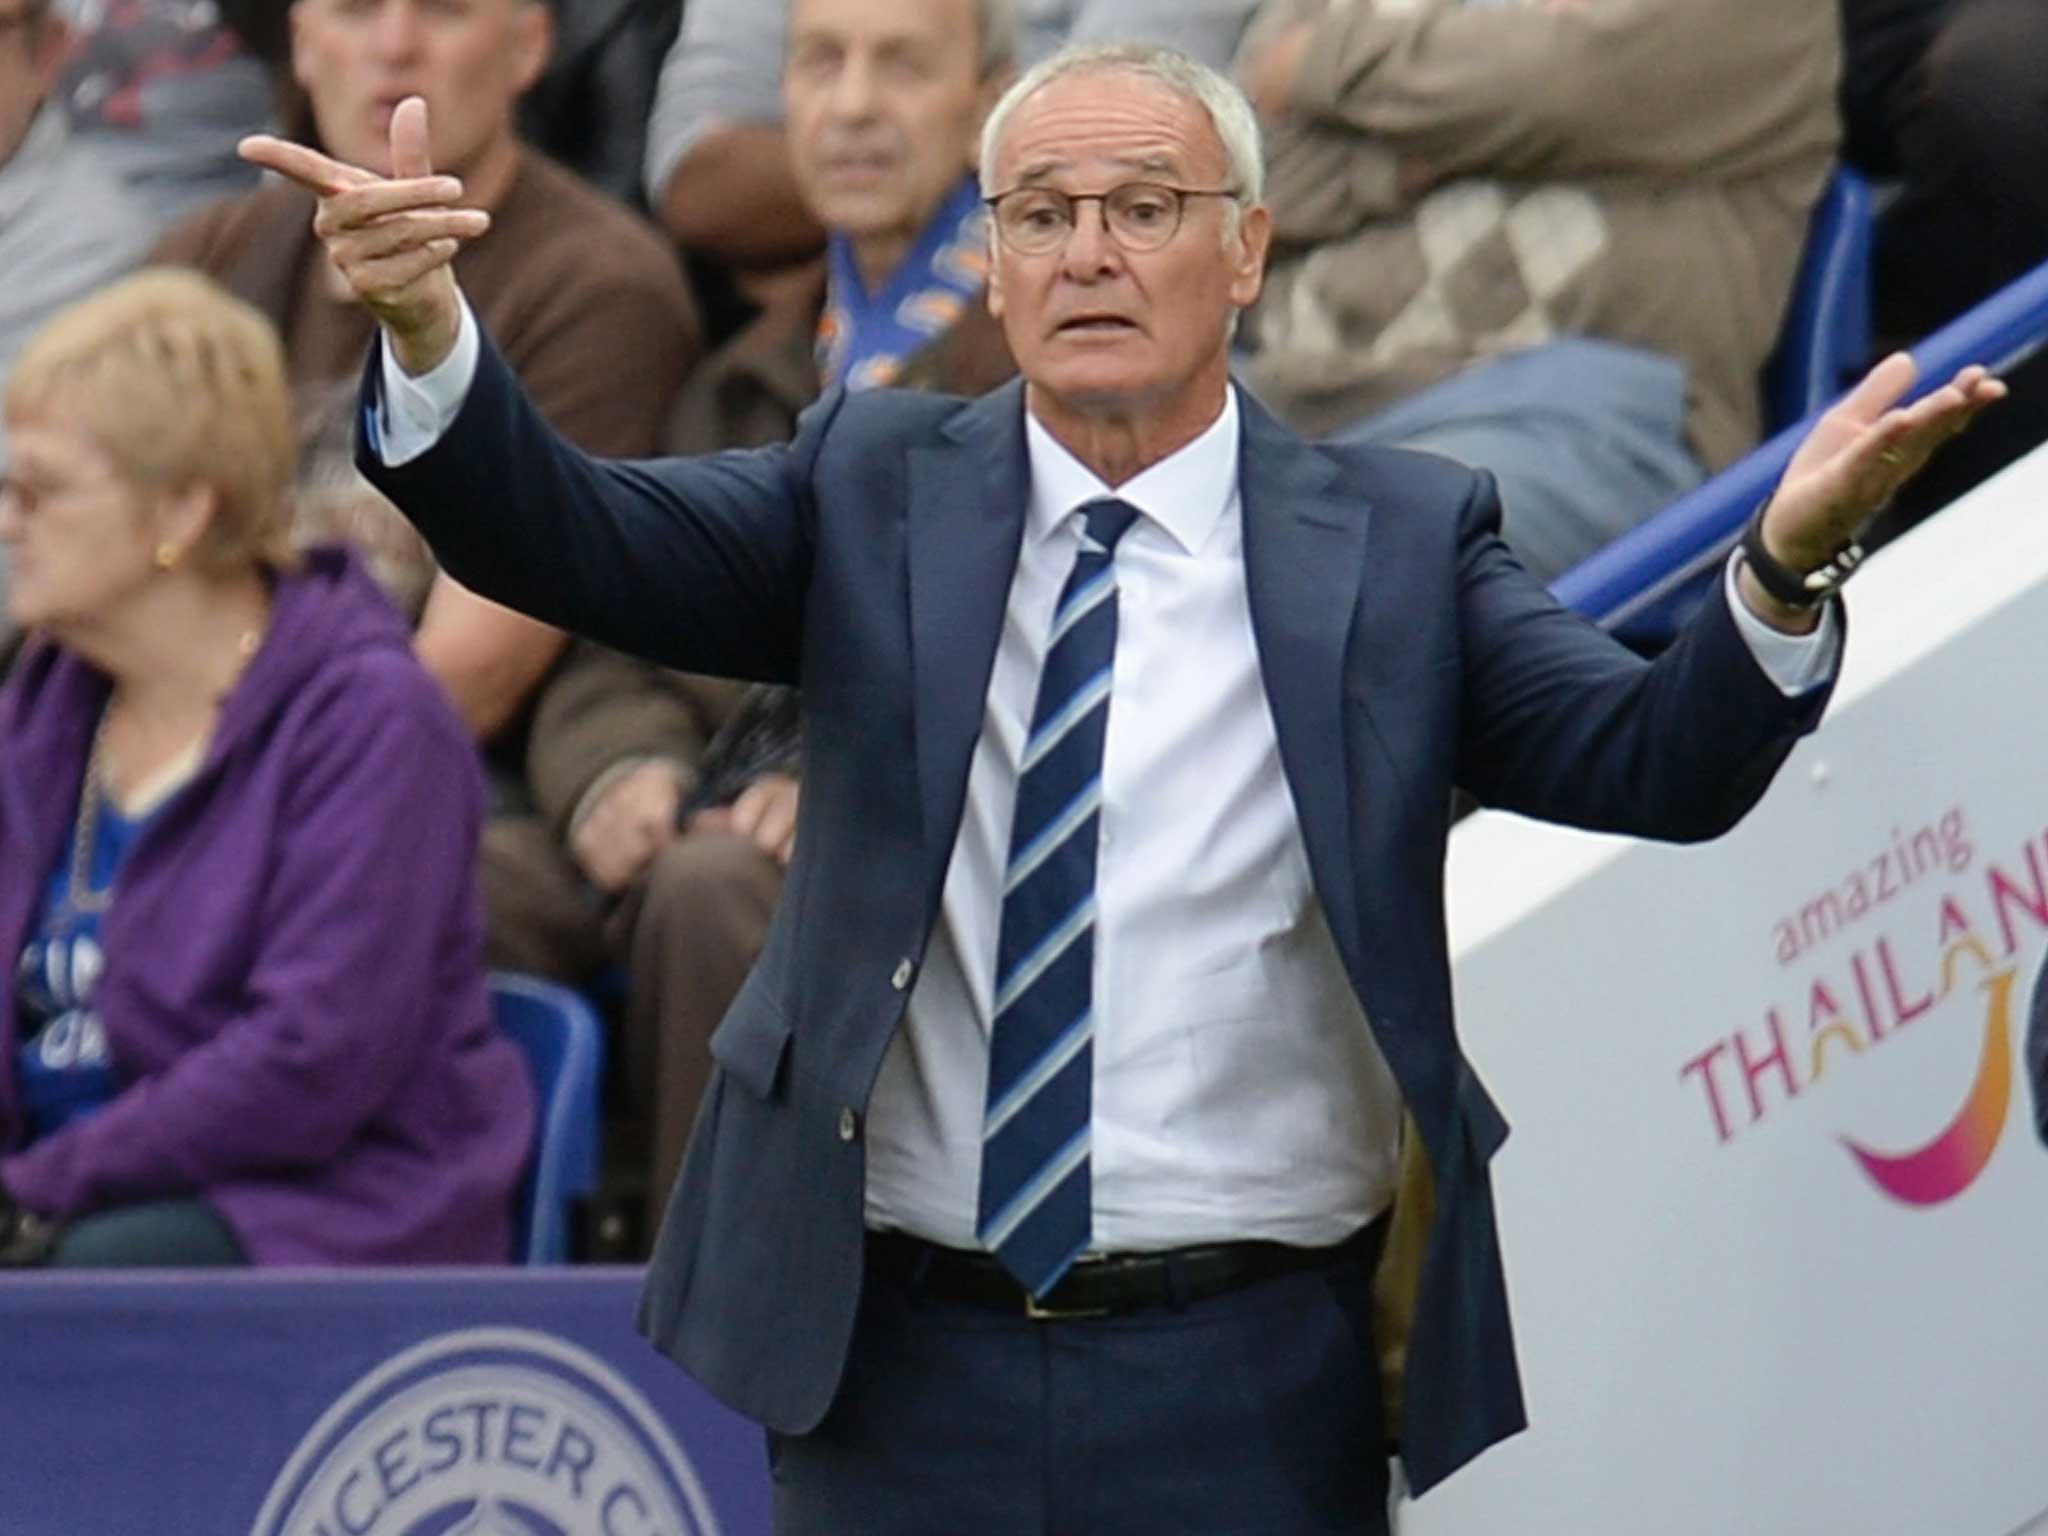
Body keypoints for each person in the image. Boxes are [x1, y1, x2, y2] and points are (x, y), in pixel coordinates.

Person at [244, 43, 1999, 1534]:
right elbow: (573, 537)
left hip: (1241, 1373)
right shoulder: (866, 486)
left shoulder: (1393, 545)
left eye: (1142, 210)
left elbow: (1652, 762)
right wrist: (425, 334)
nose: (1089, 253)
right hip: (890, 1359)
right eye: (1040, 218)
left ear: (1243, 254)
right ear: (991, 269)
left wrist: (1772, 575)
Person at [499, 0, 1022, 1253]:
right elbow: (612, 636)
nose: (849, 105)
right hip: (693, 803)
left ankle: (718, 1368)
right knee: (433, 876)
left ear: (988, 100)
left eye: (901, 66)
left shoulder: (1033, 360)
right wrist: (616, 770)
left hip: (915, 849)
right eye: (818, 63)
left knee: (712, 891)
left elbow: (1026, 635)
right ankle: (364, 1325)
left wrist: (833, 775)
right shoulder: (750, 373)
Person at [0, 269, 532, 1268]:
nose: (6, 524)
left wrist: (33, 1192)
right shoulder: (46, 710)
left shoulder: (371, 722)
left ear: (182, 512)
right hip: (69, 1193)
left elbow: (311, 1061)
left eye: (41, 492)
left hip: (318, 1213)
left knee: (100, 1275)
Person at [152, 0, 701, 753]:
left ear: (527, 45)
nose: (395, 45)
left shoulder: (600, 287)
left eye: (444, 11)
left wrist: (227, 808)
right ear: (302, 43)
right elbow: (98, 556)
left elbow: (466, 679)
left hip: (428, 792)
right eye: (354, 9)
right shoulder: (203, 259)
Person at [1235, 0, 1839, 583]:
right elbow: (1240, 181)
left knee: (1342, 561)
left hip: (1569, 414)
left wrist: (1322, 68)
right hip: (1290, 395)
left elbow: (1577, 86)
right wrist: (1483, 125)